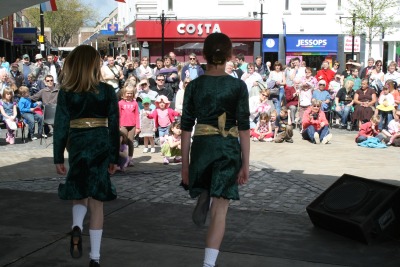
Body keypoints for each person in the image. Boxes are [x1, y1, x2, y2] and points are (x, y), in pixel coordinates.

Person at [181, 32, 250, 267]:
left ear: (203, 55)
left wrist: (185, 168)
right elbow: (244, 128)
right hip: (228, 148)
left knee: (206, 181)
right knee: (220, 211)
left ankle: (203, 189)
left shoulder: (194, 86)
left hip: (202, 147)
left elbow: (185, 128)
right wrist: (245, 164)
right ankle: (208, 264)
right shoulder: (238, 86)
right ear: (230, 55)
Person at [54, 45, 119, 267]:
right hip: (100, 141)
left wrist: (57, 157)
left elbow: (60, 126)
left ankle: (77, 226)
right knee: (97, 201)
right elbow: (114, 126)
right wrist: (114, 158)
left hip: (78, 142)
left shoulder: (66, 92)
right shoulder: (107, 91)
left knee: (79, 189)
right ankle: (95, 258)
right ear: (94, 65)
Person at [119, 85, 140, 166]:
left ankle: (130, 159)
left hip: (132, 125)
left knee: (130, 142)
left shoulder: (135, 103)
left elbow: (137, 115)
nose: (129, 95)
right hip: (123, 125)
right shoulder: (120, 103)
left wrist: (138, 127)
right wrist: (118, 125)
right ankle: (123, 158)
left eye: (131, 93)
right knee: (123, 141)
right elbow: (119, 115)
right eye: (127, 93)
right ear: (124, 94)